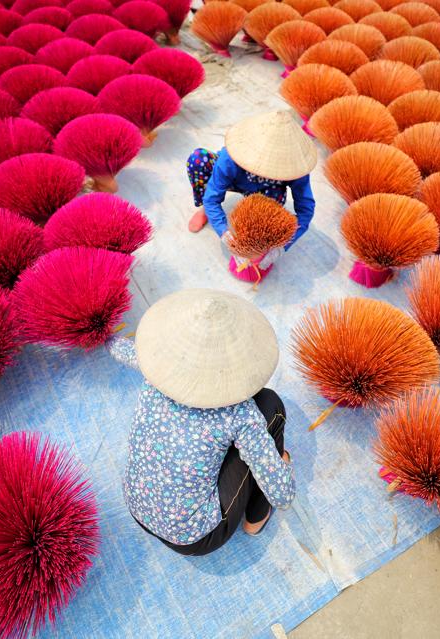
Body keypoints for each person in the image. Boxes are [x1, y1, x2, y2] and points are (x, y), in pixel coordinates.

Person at [108, 288, 295, 556]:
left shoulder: (157, 373)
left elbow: (122, 349)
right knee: (270, 404)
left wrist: (100, 332)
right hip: (192, 537)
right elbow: (283, 496)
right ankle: (256, 518)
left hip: (137, 506)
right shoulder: (240, 413)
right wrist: (282, 466)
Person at [186, 111, 318, 271]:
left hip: (267, 193)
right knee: (198, 160)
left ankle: (257, 238)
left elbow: (305, 211)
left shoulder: (295, 166)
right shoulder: (230, 157)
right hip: (234, 179)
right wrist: (223, 232)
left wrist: (282, 246)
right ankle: (205, 211)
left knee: (267, 218)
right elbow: (212, 198)